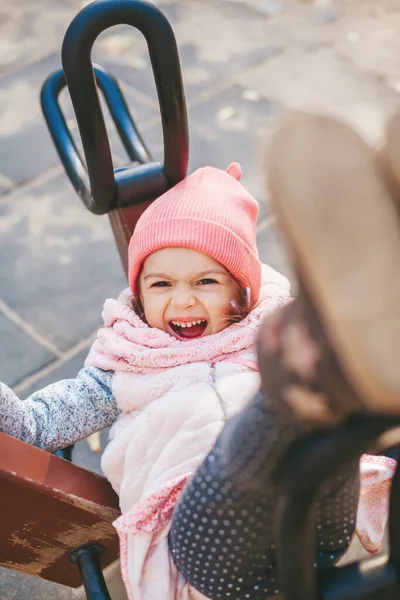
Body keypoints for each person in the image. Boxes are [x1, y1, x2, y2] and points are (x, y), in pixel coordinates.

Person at [0, 114, 397, 599]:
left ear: (242, 291)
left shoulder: (262, 321)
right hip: (203, 546)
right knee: (265, 427)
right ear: (140, 295)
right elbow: (37, 426)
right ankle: (326, 360)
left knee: (329, 447)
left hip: (317, 518)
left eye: (206, 282)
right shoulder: (124, 361)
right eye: (161, 284)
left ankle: (357, 327)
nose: (183, 300)